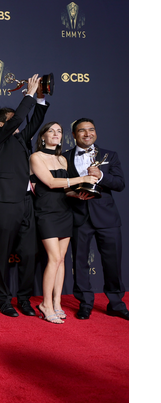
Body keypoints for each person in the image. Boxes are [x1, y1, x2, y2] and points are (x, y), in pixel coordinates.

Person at [0, 74, 48, 318]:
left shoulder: (21, 139)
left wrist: (39, 98)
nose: (18, 124)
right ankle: (3, 299)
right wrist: (28, 95)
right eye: (12, 121)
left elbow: (33, 121)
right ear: (1, 124)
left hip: (25, 202)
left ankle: (23, 299)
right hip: (3, 203)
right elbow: (19, 118)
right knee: (2, 253)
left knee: (30, 253)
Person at [30, 122, 97, 324]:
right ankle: (46, 304)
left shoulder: (61, 159)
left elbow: (64, 190)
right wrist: (81, 179)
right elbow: (50, 183)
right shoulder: (36, 157)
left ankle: (57, 303)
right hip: (46, 212)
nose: (56, 134)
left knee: (61, 260)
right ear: (43, 136)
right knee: (53, 258)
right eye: (51, 131)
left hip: (64, 211)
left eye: (59, 131)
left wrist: (79, 195)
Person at [64, 118, 128, 320]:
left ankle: (116, 303)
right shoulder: (64, 157)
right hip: (78, 215)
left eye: (91, 130)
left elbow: (119, 184)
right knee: (80, 262)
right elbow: (61, 185)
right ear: (74, 135)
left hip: (107, 218)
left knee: (113, 262)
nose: (87, 133)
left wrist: (101, 176)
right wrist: (72, 193)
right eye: (82, 131)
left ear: (95, 133)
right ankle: (85, 303)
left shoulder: (110, 155)